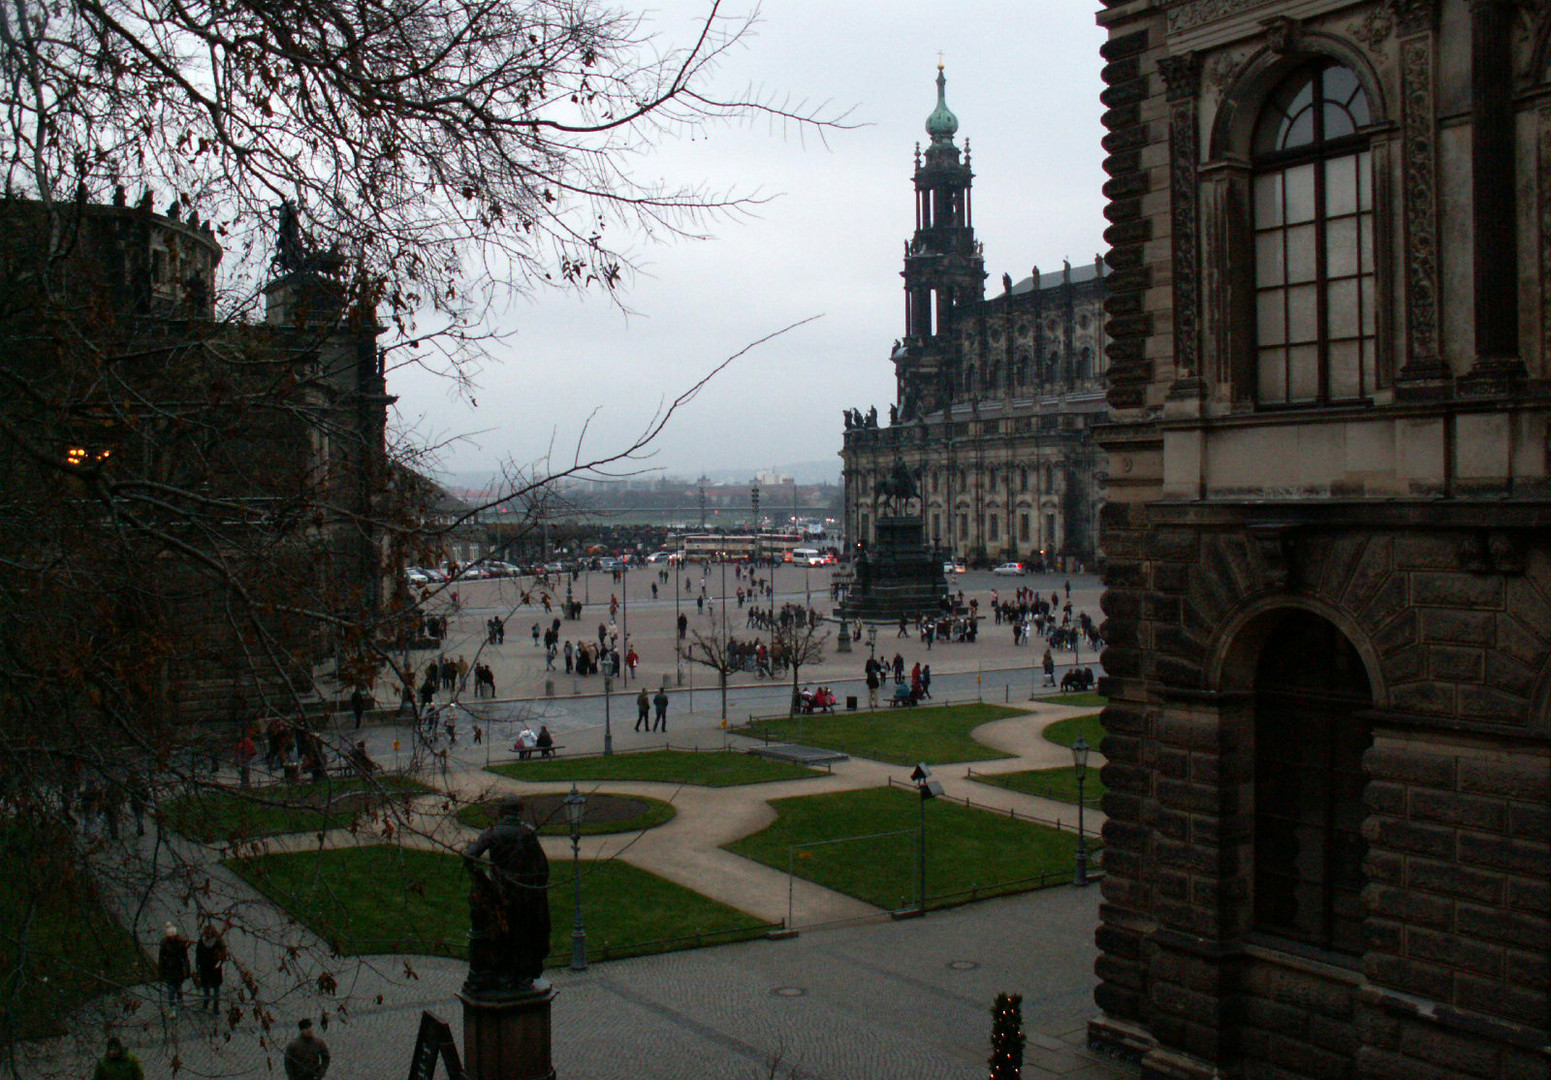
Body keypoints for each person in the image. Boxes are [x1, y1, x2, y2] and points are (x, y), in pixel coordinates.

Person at [158, 923, 189, 1016]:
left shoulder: (181, 944)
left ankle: (180, 1002)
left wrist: (187, 970)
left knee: (179, 988)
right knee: (171, 991)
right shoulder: (164, 944)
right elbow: (161, 958)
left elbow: (185, 957)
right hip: (169, 970)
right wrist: (161, 971)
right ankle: (173, 1008)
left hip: (178, 970)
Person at [194, 925, 227, 1013]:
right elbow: (198, 955)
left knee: (216, 990)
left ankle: (215, 1008)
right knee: (206, 990)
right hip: (205, 969)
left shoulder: (218, 942)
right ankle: (205, 1005)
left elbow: (223, 956)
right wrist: (198, 965)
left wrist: (218, 964)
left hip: (215, 970)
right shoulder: (201, 942)